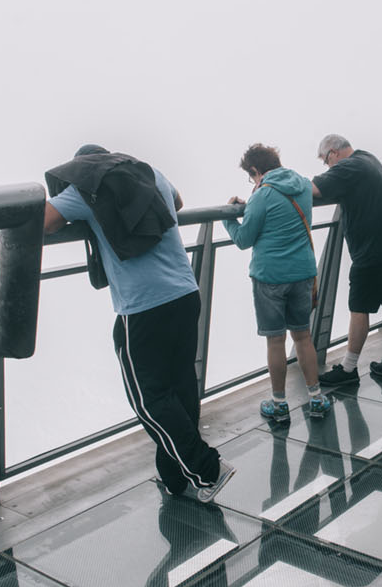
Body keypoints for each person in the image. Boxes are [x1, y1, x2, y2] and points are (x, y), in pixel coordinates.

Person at [43, 145, 233, 501]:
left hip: (143, 306)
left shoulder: (84, 187)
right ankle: (176, 478)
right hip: (185, 292)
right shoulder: (149, 173)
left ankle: (208, 469)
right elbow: (176, 202)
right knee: (180, 388)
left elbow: (46, 222)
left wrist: (89, 216)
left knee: (149, 399)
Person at [224, 143, 330, 423]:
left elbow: (243, 239)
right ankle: (316, 397)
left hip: (270, 276)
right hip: (303, 272)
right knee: (303, 336)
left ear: (257, 171)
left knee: (275, 340)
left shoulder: (262, 194)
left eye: (251, 176)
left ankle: (279, 404)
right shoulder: (304, 185)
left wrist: (229, 217)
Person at [311, 134, 382, 386]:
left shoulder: (348, 167)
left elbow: (312, 189)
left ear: (333, 153)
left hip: (374, 251)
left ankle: (348, 369)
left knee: (359, 309)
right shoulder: (367, 158)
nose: (327, 166)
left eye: (325, 161)